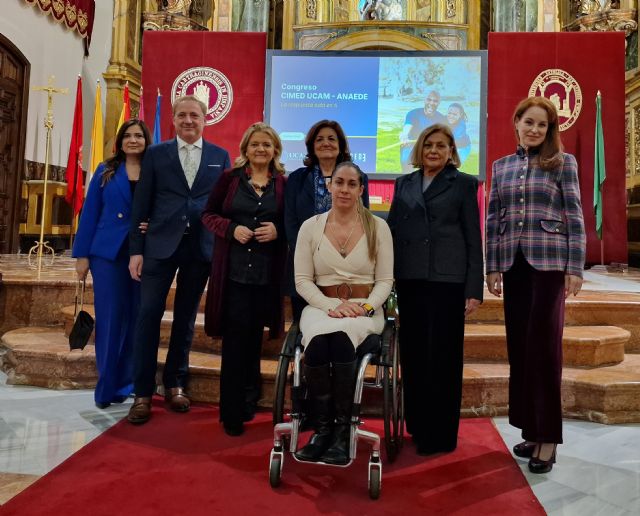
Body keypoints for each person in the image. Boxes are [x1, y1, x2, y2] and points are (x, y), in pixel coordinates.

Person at [486, 96, 586, 474]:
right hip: (513, 266)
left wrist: (575, 267)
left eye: (542, 125)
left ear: (549, 130)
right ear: (516, 122)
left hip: (549, 266)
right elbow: (494, 219)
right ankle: (531, 427)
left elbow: (574, 214)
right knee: (521, 350)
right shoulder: (501, 167)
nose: (534, 129)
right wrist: (492, 267)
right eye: (529, 122)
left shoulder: (563, 163)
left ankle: (548, 439)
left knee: (545, 351)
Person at [127, 95, 231, 424]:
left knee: (185, 319)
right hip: (158, 245)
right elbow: (140, 205)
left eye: (194, 116)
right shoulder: (156, 154)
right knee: (148, 316)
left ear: (205, 120)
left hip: (199, 248)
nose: (188, 121)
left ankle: (175, 383)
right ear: (173, 119)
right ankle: (142, 392)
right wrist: (136, 250)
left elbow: (223, 206)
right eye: (182, 115)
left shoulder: (219, 156)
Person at [387, 123, 483, 456]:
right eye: (429, 144)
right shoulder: (404, 183)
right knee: (414, 357)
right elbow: (392, 233)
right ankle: (417, 425)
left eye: (442, 146)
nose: (434, 151)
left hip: (448, 282)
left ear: (451, 151)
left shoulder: (465, 184)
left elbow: (473, 237)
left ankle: (441, 434)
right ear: (420, 147)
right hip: (410, 280)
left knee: (443, 358)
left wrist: (474, 288)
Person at [293, 161, 393, 465]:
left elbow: (385, 281)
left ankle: (342, 430)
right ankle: (322, 431)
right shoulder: (310, 227)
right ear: (329, 185)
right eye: (339, 183)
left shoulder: (379, 228)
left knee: (338, 338)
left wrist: (365, 307)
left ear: (361, 190)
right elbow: (302, 281)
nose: (345, 189)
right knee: (321, 339)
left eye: (352, 184)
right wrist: (331, 306)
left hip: (364, 310)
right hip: (320, 307)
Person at [201, 122, 287, 436]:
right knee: (236, 342)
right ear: (246, 149)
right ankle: (232, 412)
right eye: (255, 145)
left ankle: (250, 400)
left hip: (266, 276)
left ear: (275, 150)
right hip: (234, 274)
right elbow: (208, 214)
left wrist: (279, 231)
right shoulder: (229, 179)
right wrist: (230, 229)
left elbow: (293, 222)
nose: (261, 149)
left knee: (254, 341)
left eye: (267, 144)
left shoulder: (283, 184)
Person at [73, 119, 151, 409]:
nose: (133, 140)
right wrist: (82, 255)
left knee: (135, 320)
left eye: (139, 136)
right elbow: (90, 212)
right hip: (107, 256)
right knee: (109, 321)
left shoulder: (154, 170)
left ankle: (126, 383)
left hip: (143, 254)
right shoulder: (105, 171)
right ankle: (106, 387)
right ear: (120, 140)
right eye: (128, 136)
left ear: (146, 140)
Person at [284, 120, 370, 323]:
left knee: (342, 329)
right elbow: (290, 222)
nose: (326, 143)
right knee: (306, 329)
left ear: (340, 145)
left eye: (331, 139)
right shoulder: (297, 179)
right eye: (319, 139)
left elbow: (362, 222)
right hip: (305, 269)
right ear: (312, 146)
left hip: (344, 272)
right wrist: (310, 258)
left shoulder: (358, 177)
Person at [399, 91, 446, 173]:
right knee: (406, 161)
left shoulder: (441, 118)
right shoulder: (413, 113)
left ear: (439, 103)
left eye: (435, 101)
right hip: (411, 145)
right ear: (424, 100)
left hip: (430, 147)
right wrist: (404, 136)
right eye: (429, 100)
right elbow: (407, 128)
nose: (431, 103)